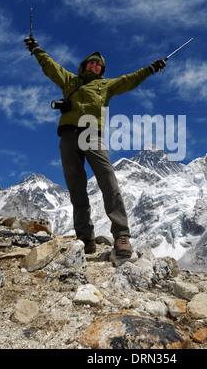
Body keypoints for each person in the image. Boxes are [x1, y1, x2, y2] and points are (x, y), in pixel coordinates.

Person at [24, 35, 166, 257]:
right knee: (76, 189)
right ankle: (85, 240)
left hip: (92, 134)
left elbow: (129, 79)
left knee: (108, 181)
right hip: (68, 137)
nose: (94, 65)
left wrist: (150, 69)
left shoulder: (106, 86)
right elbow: (50, 66)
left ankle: (121, 236)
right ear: (84, 65)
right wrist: (37, 50)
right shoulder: (70, 80)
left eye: (98, 64)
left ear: (102, 70)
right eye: (91, 62)